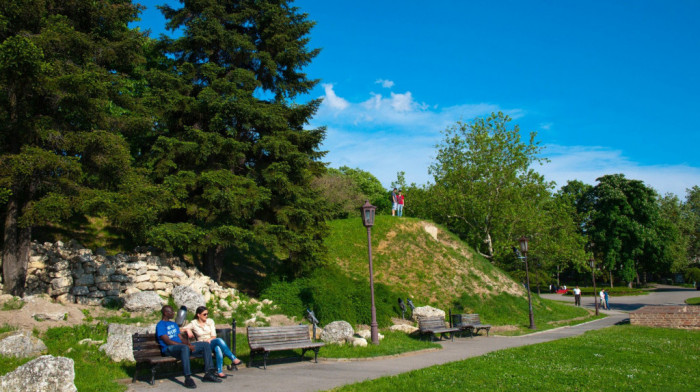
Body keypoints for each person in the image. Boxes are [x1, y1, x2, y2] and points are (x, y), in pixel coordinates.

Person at [156, 305, 222, 389]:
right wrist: (185, 346)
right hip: (168, 349)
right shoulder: (160, 325)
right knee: (185, 348)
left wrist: (189, 344)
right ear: (165, 313)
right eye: (171, 312)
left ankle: (208, 373)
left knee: (205, 345)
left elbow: (180, 338)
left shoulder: (173, 324)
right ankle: (188, 378)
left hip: (181, 347)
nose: (173, 313)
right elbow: (167, 341)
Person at [186, 306, 242, 378]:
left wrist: (210, 339)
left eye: (207, 314)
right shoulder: (194, 323)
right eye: (204, 314)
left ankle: (222, 369)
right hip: (202, 345)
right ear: (198, 315)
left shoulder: (210, 321)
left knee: (218, 345)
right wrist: (188, 329)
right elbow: (182, 329)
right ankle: (231, 360)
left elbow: (213, 336)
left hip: (211, 342)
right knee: (218, 344)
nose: (206, 316)